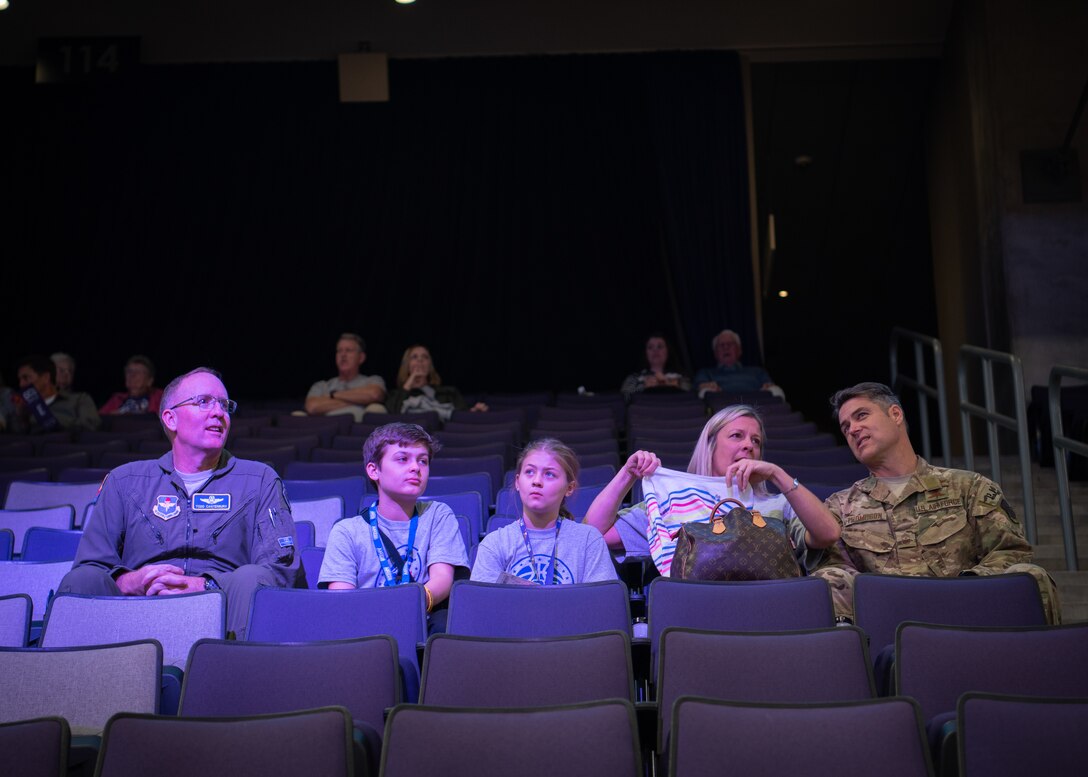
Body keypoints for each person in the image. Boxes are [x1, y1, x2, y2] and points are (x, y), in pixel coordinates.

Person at [59, 367, 303, 639]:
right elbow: (92, 564)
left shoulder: (259, 479)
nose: (219, 412)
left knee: (253, 579)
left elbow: (281, 570)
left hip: (224, 613)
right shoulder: (125, 481)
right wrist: (133, 581)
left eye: (224, 405)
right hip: (136, 608)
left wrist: (205, 586)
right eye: (203, 401)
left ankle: (238, 672)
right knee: (79, 581)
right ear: (170, 418)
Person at [812, 382, 1061, 624]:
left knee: (1032, 575)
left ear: (895, 414)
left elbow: (1011, 552)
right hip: (888, 616)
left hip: (966, 609)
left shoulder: (968, 487)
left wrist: (961, 589)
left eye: (861, 415)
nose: (853, 429)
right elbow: (835, 571)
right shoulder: (839, 507)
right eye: (845, 427)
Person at [584, 405, 841, 575]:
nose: (748, 446)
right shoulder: (673, 499)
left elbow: (828, 534)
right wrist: (628, 474)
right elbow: (592, 534)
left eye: (756, 441)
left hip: (766, 609)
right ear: (710, 445)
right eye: (736, 436)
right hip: (695, 613)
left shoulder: (777, 505)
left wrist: (778, 474)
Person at [319, 422, 468, 633]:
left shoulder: (438, 515)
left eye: (423, 461)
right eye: (402, 459)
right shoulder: (346, 531)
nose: (416, 467)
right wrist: (388, 613)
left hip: (422, 626)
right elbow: (342, 602)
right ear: (373, 470)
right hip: (368, 632)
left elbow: (442, 579)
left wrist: (408, 606)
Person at [471, 439, 617, 585]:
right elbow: (481, 605)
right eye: (529, 472)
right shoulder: (495, 544)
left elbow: (602, 604)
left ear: (569, 488)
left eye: (549, 474)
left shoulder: (588, 541)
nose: (537, 481)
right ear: (517, 482)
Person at [384, 345, 488, 420]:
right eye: (414, 357)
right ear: (407, 364)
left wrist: (474, 412)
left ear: (430, 365)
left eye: (425, 357)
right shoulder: (396, 395)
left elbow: (461, 416)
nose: (420, 360)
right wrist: (409, 383)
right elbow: (393, 415)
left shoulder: (449, 392)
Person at [304, 333, 388, 422]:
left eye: (349, 350)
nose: (343, 355)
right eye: (339, 351)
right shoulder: (322, 385)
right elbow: (312, 407)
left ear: (361, 357)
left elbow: (374, 395)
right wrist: (361, 400)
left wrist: (332, 395)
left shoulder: (372, 380)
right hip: (324, 429)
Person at [10, 355, 101, 433]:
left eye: (26, 378)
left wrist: (50, 419)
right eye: (20, 379)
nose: (21, 384)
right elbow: (15, 438)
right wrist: (23, 419)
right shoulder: (22, 406)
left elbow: (91, 425)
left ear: (46, 377)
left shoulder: (79, 399)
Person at [694, 329, 781, 398]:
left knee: (776, 390)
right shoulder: (705, 373)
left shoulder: (757, 371)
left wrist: (768, 387)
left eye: (730, 344)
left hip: (758, 404)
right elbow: (699, 388)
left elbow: (769, 385)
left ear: (739, 350)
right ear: (715, 353)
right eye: (721, 345)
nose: (726, 348)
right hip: (722, 409)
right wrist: (704, 387)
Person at [620, 333, 691, 400]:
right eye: (650, 347)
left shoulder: (680, 376)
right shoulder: (635, 377)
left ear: (668, 351)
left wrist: (667, 383)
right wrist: (643, 386)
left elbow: (691, 390)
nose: (655, 350)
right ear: (645, 353)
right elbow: (624, 396)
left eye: (660, 346)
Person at [99, 355, 164, 415]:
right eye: (129, 371)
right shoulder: (116, 399)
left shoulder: (161, 398)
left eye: (138, 372)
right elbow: (98, 420)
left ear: (149, 380)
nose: (132, 375)